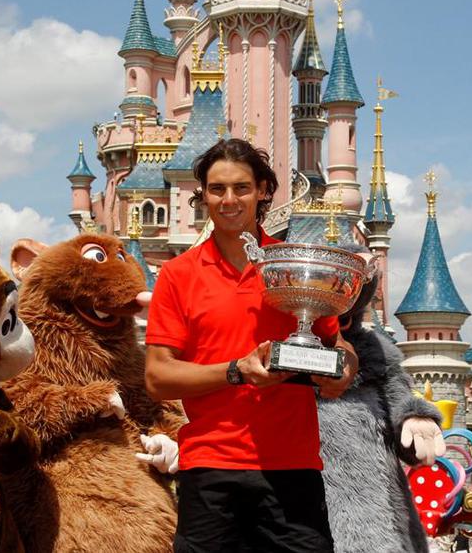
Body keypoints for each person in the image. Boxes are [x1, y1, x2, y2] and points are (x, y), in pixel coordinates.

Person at [144, 138, 358, 553]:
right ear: (203, 195)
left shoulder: (296, 265)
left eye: (241, 188)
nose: (228, 200)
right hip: (210, 467)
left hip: (292, 466)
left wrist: (343, 370)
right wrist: (236, 370)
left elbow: (338, 344)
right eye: (217, 189)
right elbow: (157, 377)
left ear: (262, 191)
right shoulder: (178, 274)